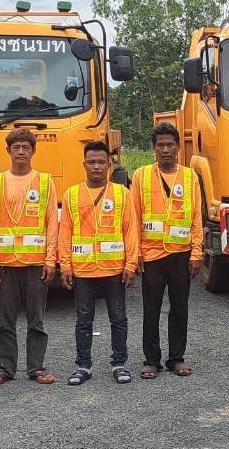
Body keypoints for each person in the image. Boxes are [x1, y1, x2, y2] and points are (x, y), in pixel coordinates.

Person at [0, 126, 59, 386]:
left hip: (35, 264)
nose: (21, 152)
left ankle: (36, 368)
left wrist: (50, 259)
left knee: (36, 320)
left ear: (33, 151)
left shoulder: (45, 182)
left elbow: (51, 223)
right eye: (16, 147)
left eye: (26, 147)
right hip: (5, 264)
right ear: (8, 151)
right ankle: (5, 369)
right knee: (5, 320)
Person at [60, 140, 139, 385]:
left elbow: (131, 230)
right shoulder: (71, 194)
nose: (96, 166)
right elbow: (65, 232)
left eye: (101, 162)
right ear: (84, 164)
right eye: (91, 162)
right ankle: (83, 366)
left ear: (109, 165)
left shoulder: (122, 194)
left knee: (118, 318)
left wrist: (131, 264)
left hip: (114, 269)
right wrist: (65, 265)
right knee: (84, 320)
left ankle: (119, 364)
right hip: (83, 270)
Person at [130, 121, 203, 379]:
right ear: (154, 148)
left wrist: (197, 253)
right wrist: (136, 254)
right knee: (151, 310)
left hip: (181, 255)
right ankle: (151, 360)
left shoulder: (190, 176)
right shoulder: (140, 175)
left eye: (169, 145)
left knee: (179, 308)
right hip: (151, 255)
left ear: (178, 147)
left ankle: (177, 358)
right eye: (160, 145)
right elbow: (134, 216)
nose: (165, 150)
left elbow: (196, 217)